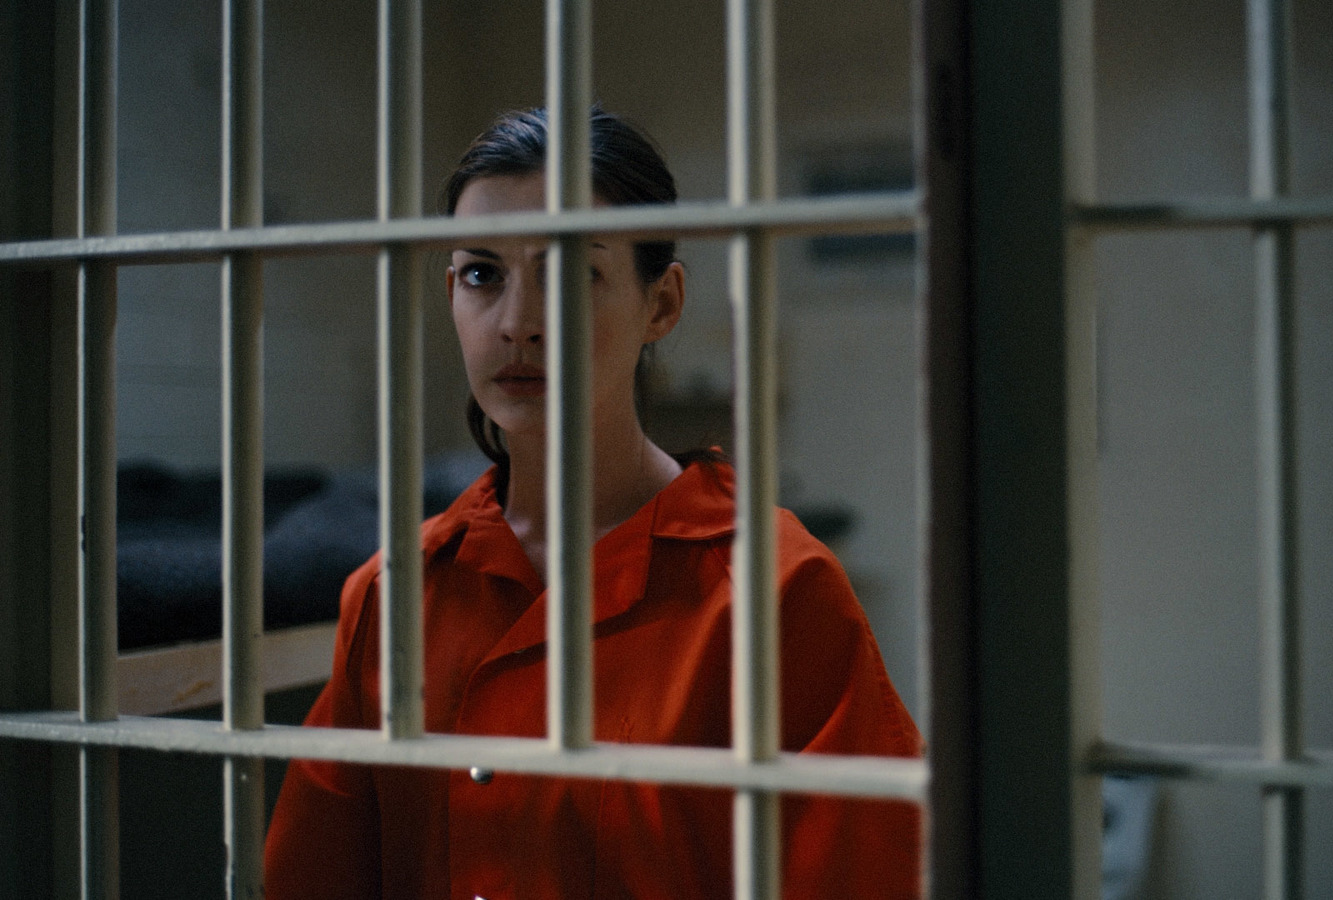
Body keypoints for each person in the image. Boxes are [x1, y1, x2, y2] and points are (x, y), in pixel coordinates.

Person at [263, 106, 922, 899]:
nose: (516, 324)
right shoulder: (394, 595)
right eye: (482, 275)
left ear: (662, 304)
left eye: (573, 273)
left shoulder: (773, 591)